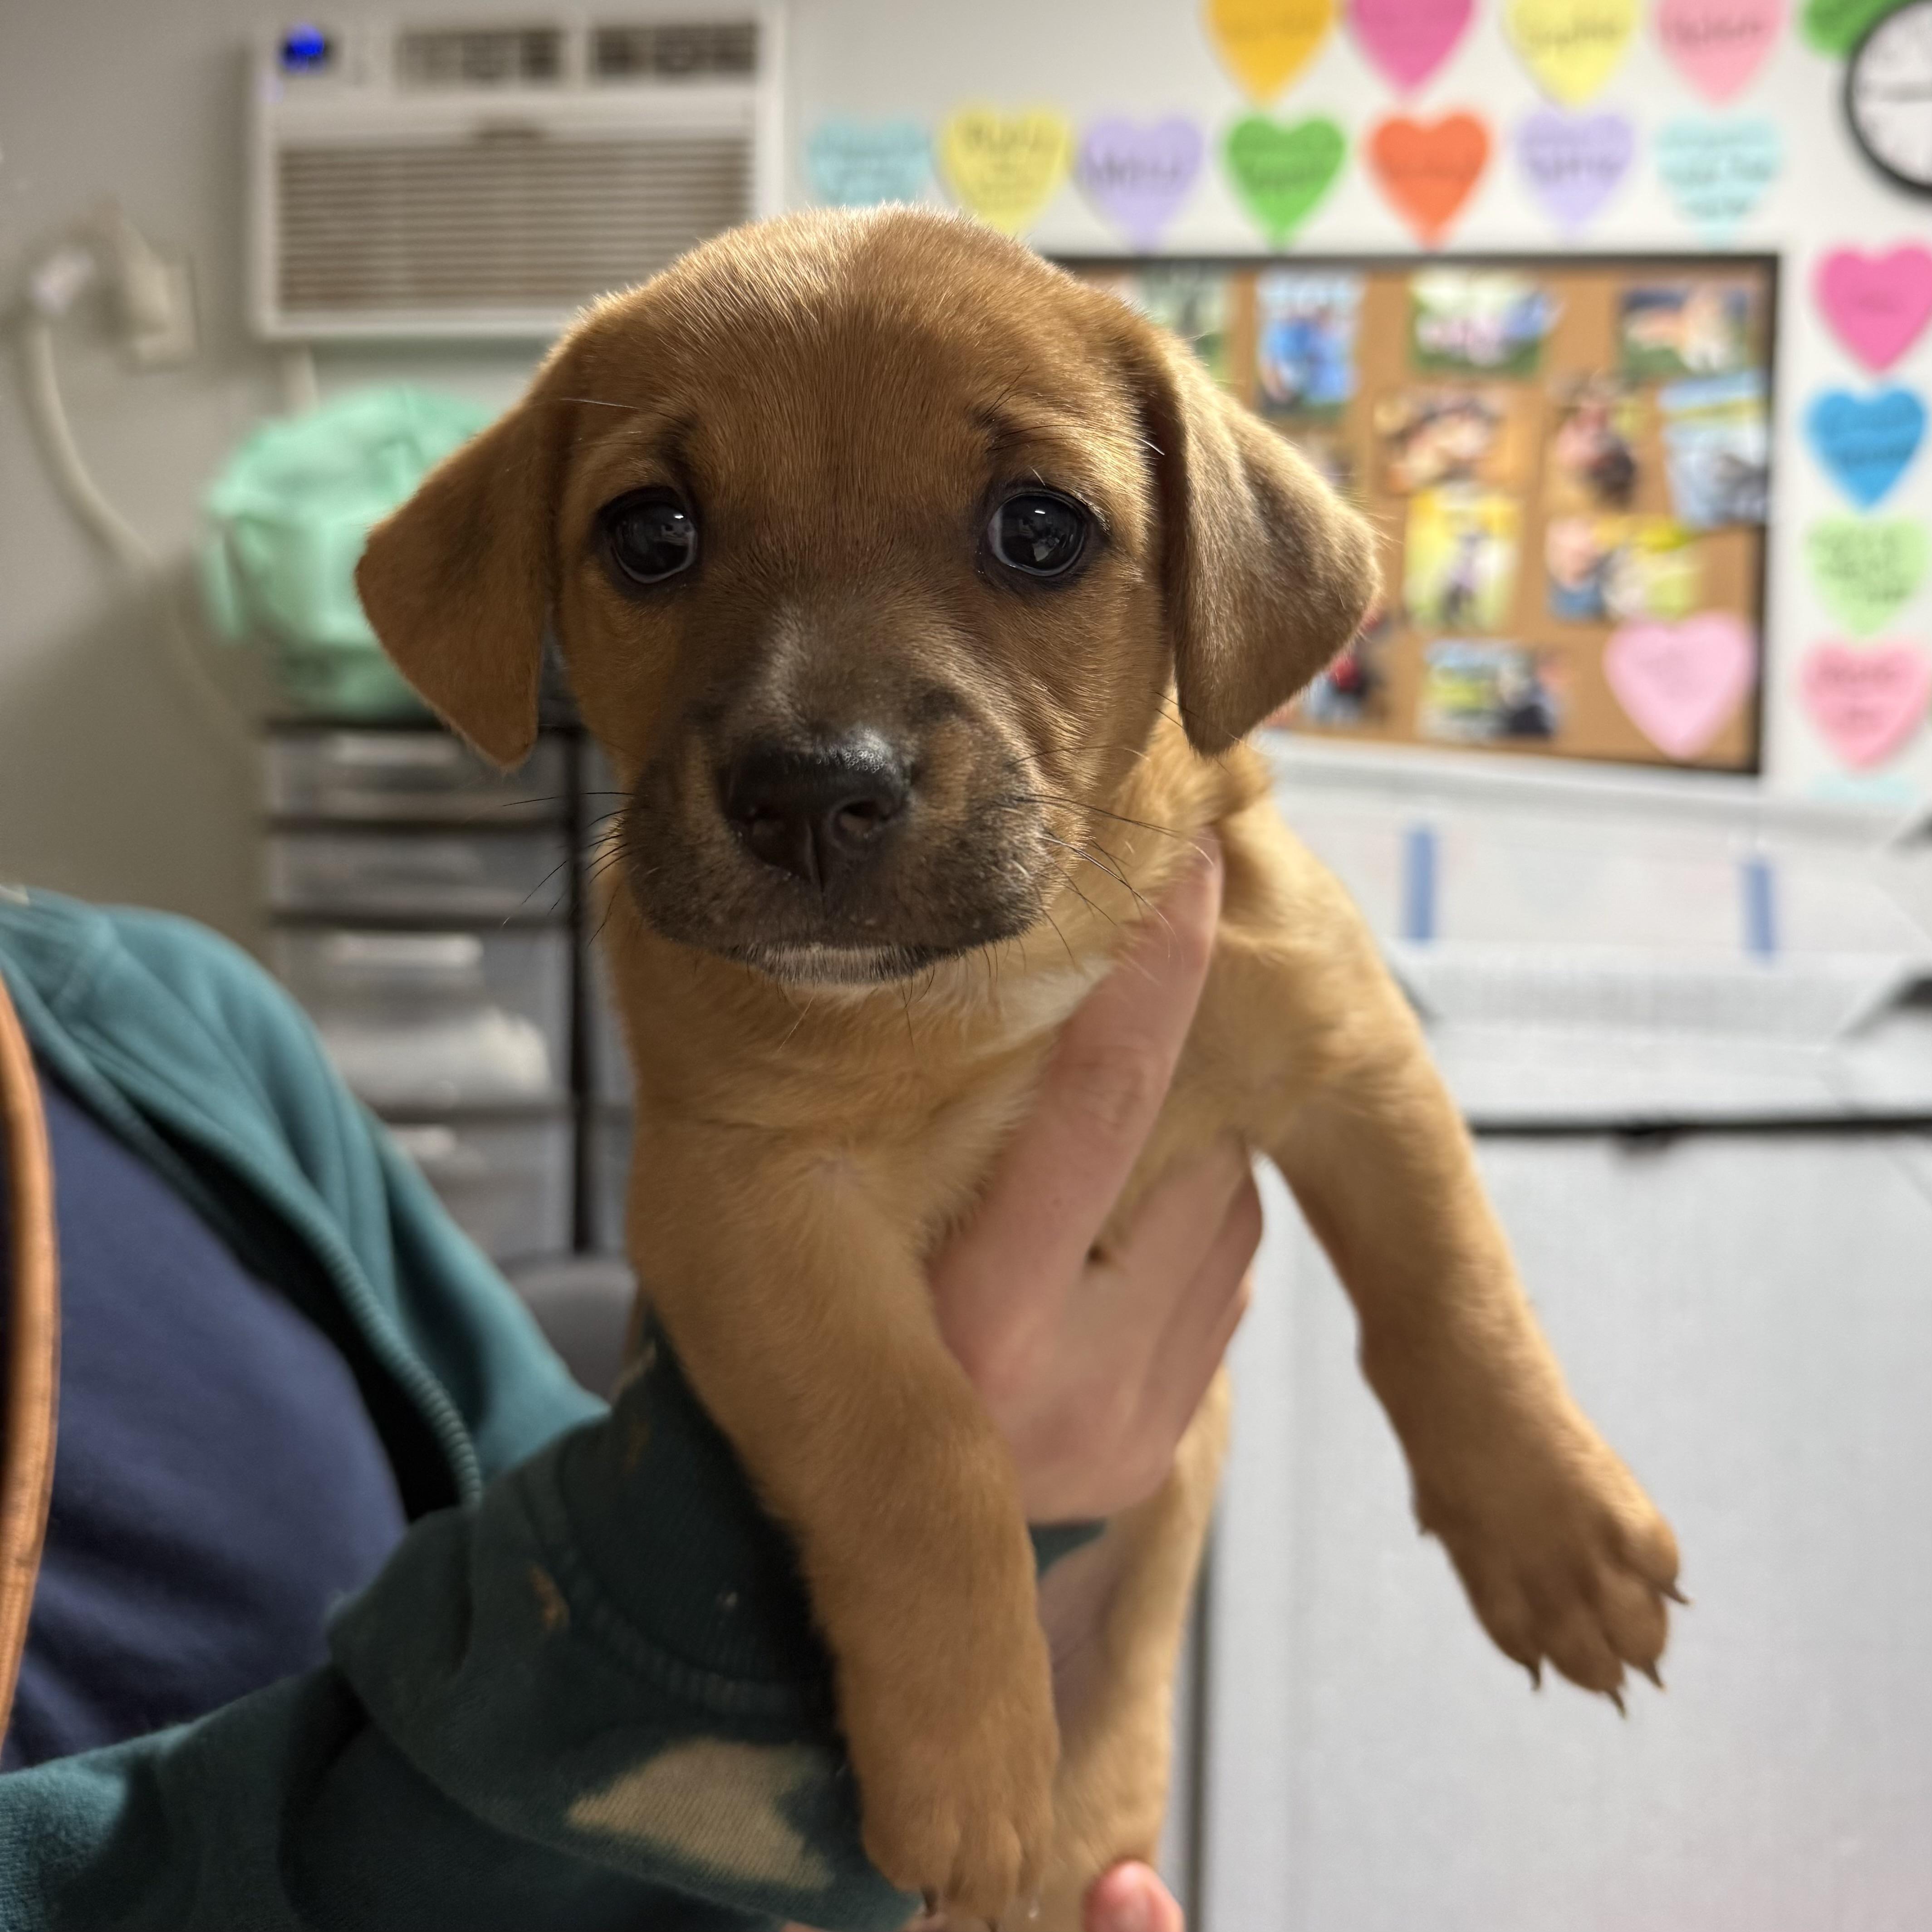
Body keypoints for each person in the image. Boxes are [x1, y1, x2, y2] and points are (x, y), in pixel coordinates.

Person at [0, 840, 1255, 1932]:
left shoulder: (171, 1023)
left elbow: (567, 1507)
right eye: (657, 548)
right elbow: (638, 1596)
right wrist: (880, 1507)